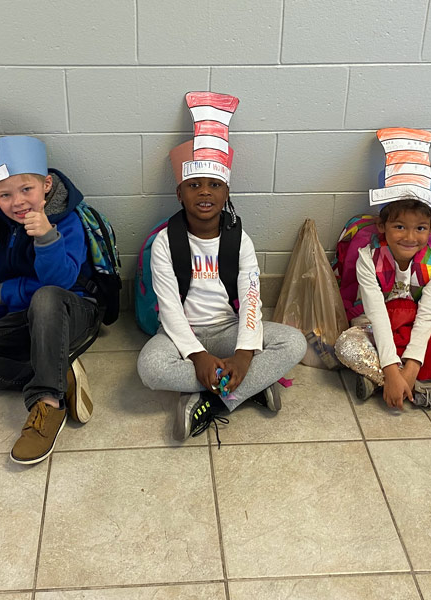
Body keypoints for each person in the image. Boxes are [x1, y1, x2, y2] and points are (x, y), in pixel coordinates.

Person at [136, 92, 306, 442]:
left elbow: (252, 298)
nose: (204, 192)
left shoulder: (239, 240)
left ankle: (210, 401)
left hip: (228, 329)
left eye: (214, 185)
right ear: (179, 193)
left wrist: (244, 354)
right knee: (150, 368)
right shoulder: (166, 242)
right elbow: (168, 307)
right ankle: (250, 388)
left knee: (293, 343)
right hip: (179, 333)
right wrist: (197, 355)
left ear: (226, 192)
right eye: (194, 185)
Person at [0, 95, 100, 466]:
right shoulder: (0, 223)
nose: (17, 202)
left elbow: (61, 284)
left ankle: (48, 402)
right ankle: (57, 372)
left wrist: (47, 238)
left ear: (46, 185)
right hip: (29, 320)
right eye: (4, 194)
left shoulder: (67, 221)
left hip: (74, 310)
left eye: (26, 190)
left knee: (46, 296)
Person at [334, 128, 431, 419]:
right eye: (399, 227)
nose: (410, 237)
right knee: (346, 347)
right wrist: (392, 368)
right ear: (382, 227)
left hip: (420, 328)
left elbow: (429, 315)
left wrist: (411, 367)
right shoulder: (367, 257)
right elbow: (377, 315)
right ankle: (426, 391)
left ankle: (390, 383)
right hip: (376, 326)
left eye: (420, 228)